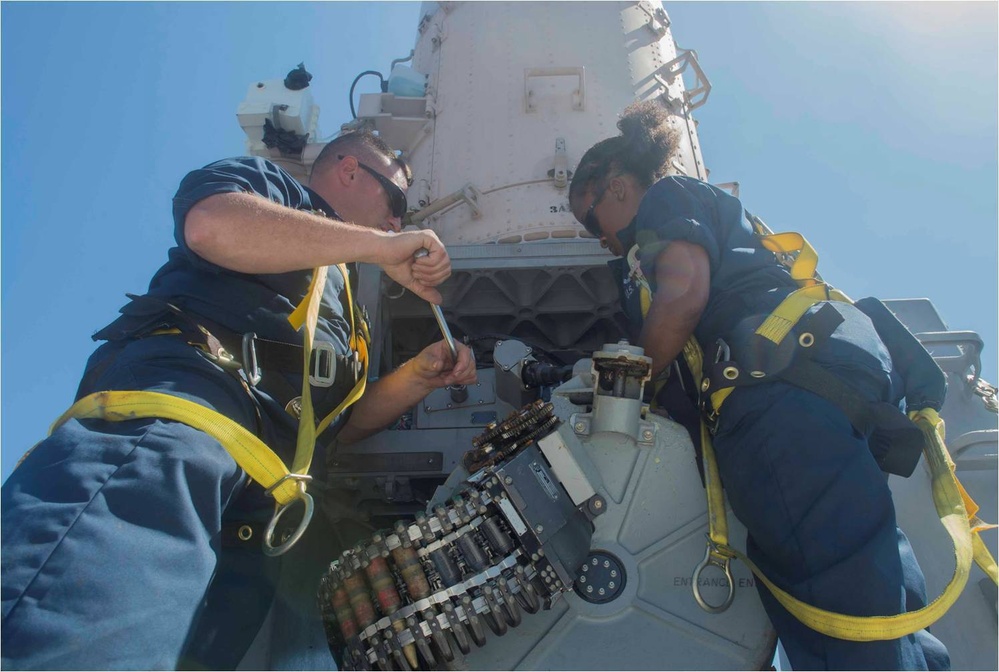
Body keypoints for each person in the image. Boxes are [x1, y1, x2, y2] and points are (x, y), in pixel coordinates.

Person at [1, 131, 477, 670]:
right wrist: (378, 246)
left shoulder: (347, 308)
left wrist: (418, 375)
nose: (397, 223)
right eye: (396, 205)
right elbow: (211, 226)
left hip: (258, 523)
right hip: (179, 433)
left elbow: (337, 428)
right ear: (349, 171)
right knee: (76, 634)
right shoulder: (271, 190)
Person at [568, 100, 950, 671]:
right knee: (880, 598)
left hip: (777, 404)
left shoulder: (667, 201)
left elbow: (684, 294)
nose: (601, 242)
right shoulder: (719, 213)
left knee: (840, 617)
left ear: (617, 187)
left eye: (591, 221)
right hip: (822, 389)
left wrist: (630, 387)